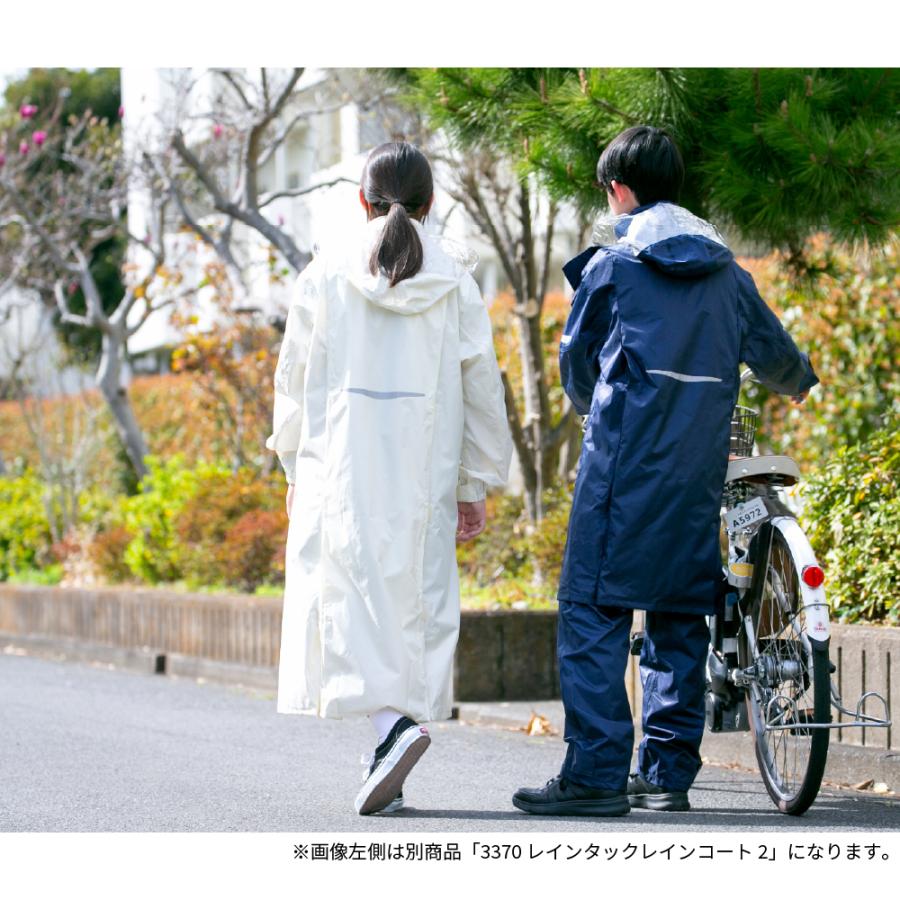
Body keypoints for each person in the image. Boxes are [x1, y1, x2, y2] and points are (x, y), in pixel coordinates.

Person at [512, 125, 818, 817]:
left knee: (593, 610)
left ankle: (594, 775)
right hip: (695, 472)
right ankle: (666, 775)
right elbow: (778, 355)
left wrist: (600, 412)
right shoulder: (727, 276)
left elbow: (577, 369)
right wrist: (798, 382)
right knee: (680, 614)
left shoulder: (613, 266)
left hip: (621, 468)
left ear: (619, 190)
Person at [265, 141, 511, 816]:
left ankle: (391, 731)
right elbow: (479, 387)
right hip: (424, 469)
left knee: (345, 596)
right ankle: (392, 738)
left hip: (339, 467)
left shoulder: (325, 273)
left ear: (361, 200)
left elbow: (294, 382)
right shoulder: (456, 278)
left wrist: (292, 461)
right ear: (432, 203)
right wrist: (474, 482)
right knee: (412, 603)